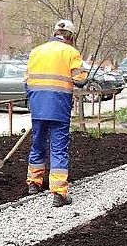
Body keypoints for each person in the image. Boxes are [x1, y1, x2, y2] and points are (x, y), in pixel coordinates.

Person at [24, 19, 87, 207]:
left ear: (54, 32)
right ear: (71, 36)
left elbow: (26, 82)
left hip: (37, 106)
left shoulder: (36, 52)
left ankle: (34, 183)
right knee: (59, 148)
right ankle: (59, 193)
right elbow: (80, 80)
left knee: (37, 143)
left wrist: (35, 102)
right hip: (59, 107)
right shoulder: (71, 52)